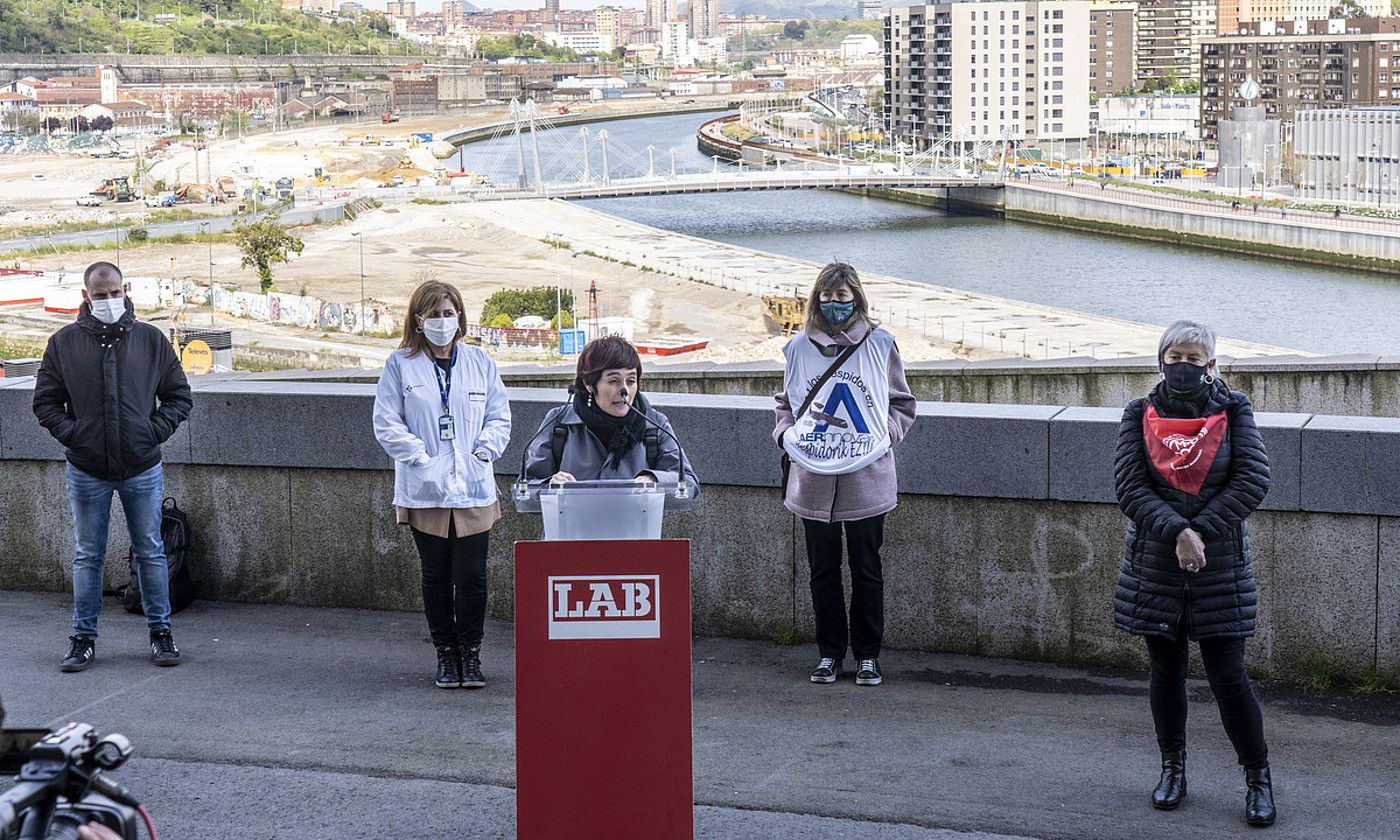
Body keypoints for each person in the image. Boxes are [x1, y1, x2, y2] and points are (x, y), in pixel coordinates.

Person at [1113, 320, 1275, 827]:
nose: (1183, 365)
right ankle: (1173, 769)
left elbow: (1253, 479)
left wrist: (1199, 531)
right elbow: (1129, 486)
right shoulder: (1140, 413)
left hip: (1220, 569)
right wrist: (1176, 533)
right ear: (1160, 361)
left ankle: (1258, 778)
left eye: (1193, 357)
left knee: (1229, 677)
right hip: (1156, 567)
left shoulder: (1234, 410)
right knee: (1166, 673)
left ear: (1212, 364)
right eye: (1174, 356)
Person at [33, 262, 192, 672]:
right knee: (88, 555)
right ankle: (82, 638)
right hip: (87, 469)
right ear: (86, 297)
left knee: (151, 552)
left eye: (114, 292)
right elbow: (46, 403)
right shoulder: (63, 344)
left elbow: (179, 397)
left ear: (126, 289)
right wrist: (78, 436)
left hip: (141, 465)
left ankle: (161, 632)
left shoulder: (152, 341)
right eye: (99, 295)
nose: (108, 300)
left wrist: (149, 433)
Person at [773, 262, 916, 688]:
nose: (835, 303)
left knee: (867, 569)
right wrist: (784, 435)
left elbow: (902, 403)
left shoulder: (881, 344)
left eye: (842, 295)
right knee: (822, 571)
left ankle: (868, 655)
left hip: (866, 478)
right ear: (816, 298)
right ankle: (829, 654)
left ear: (857, 297)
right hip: (813, 480)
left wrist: (885, 437)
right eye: (828, 295)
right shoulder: (798, 348)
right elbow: (786, 402)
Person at [373, 281, 511, 690]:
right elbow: (386, 422)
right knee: (436, 576)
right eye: (433, 314)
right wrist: (421, 457)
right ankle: (445, 654)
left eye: (449, 313)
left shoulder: (480, 362)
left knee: (473, 577)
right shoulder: (400, 364)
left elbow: (498, 415)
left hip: (473, 485)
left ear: (461, 317)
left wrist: (483, 453)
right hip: (426, 488)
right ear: (418, 320)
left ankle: (471, 653)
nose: (442, 321)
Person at [521, 335, 697, 498]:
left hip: (635, 530)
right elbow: (526, 487)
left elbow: (688, 482)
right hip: (571, 529)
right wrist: (551, 486)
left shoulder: (655, 424)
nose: (624, 391)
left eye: (631, 381)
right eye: (613, 381)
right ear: (589, 383)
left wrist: (655, 480)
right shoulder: (559, 423)